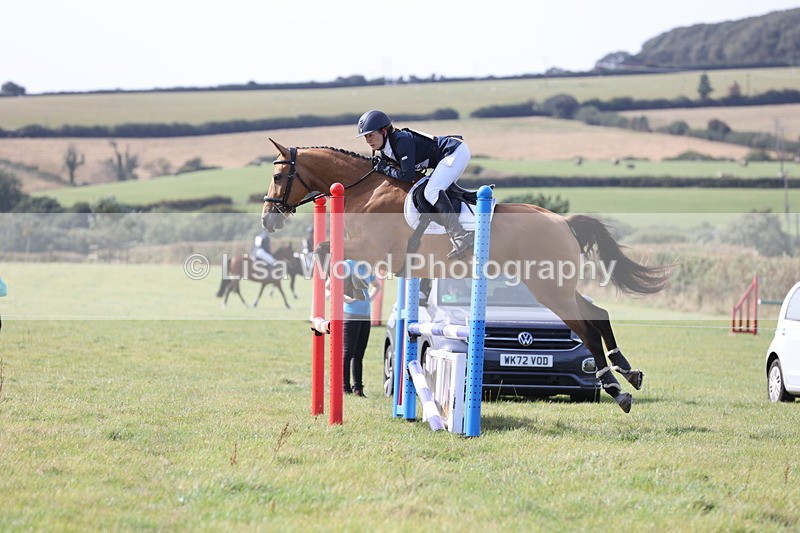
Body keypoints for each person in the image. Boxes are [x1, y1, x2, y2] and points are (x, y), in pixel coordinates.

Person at [356, 109, 474, 259]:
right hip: (444, 157)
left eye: (370, 135)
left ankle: (461, 235)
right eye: (365, 137)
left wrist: (385, 168)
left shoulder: (401, 141)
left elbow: (407, 176)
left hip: (454, 152)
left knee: (431, 192)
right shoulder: (386, 150)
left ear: (384, 131)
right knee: (430, 192)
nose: (368, 140)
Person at [340, 260, 382, 397]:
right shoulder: (347, 264)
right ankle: (344, 387)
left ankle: (358, 388)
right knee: (348, 352)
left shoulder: (366, 266)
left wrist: (369, 298)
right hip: (351, 315)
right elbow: (330, 286)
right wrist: (346, 299)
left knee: (359, 354)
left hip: (365, 315)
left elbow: (377, 286)